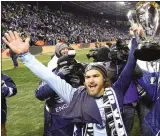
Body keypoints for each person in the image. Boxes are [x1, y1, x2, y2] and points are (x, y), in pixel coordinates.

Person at [2, 24, 144, 136]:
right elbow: (48, 76)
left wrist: (135, 38)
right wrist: (25, 56)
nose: (91, 80)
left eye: (96, 76)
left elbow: (131, 63)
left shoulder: (116, 91)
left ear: (104, 78)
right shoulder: (75, 95)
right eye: (88, 77)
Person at [35, 55, 84, 136]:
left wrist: (82, 83)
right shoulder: (51, 75)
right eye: (68, 67)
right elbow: (39, 94)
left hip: (78, 115)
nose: (71, 69)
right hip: (57, 118)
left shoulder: (79, 72)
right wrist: (58, 78)